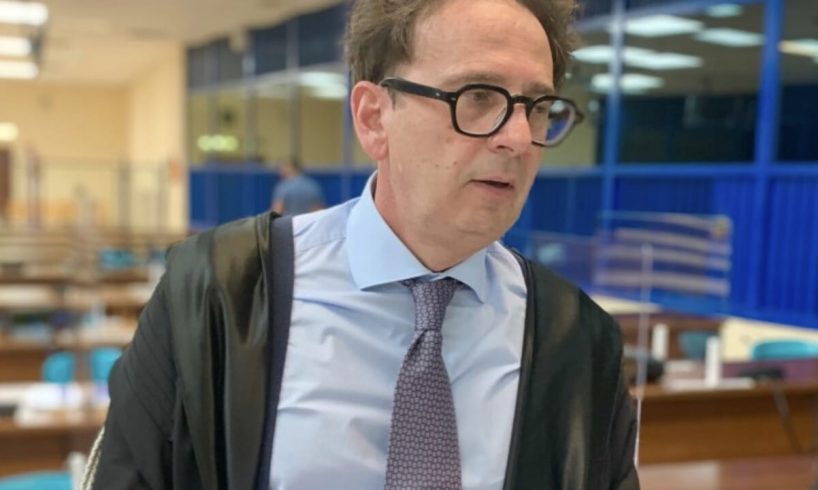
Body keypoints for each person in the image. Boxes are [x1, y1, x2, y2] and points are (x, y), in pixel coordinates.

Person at [85, 0, 639, 489]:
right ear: (374, 118)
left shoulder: (579, 341)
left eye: (536, 107)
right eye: (477, 96)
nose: (517, 138)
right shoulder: (216, 297)